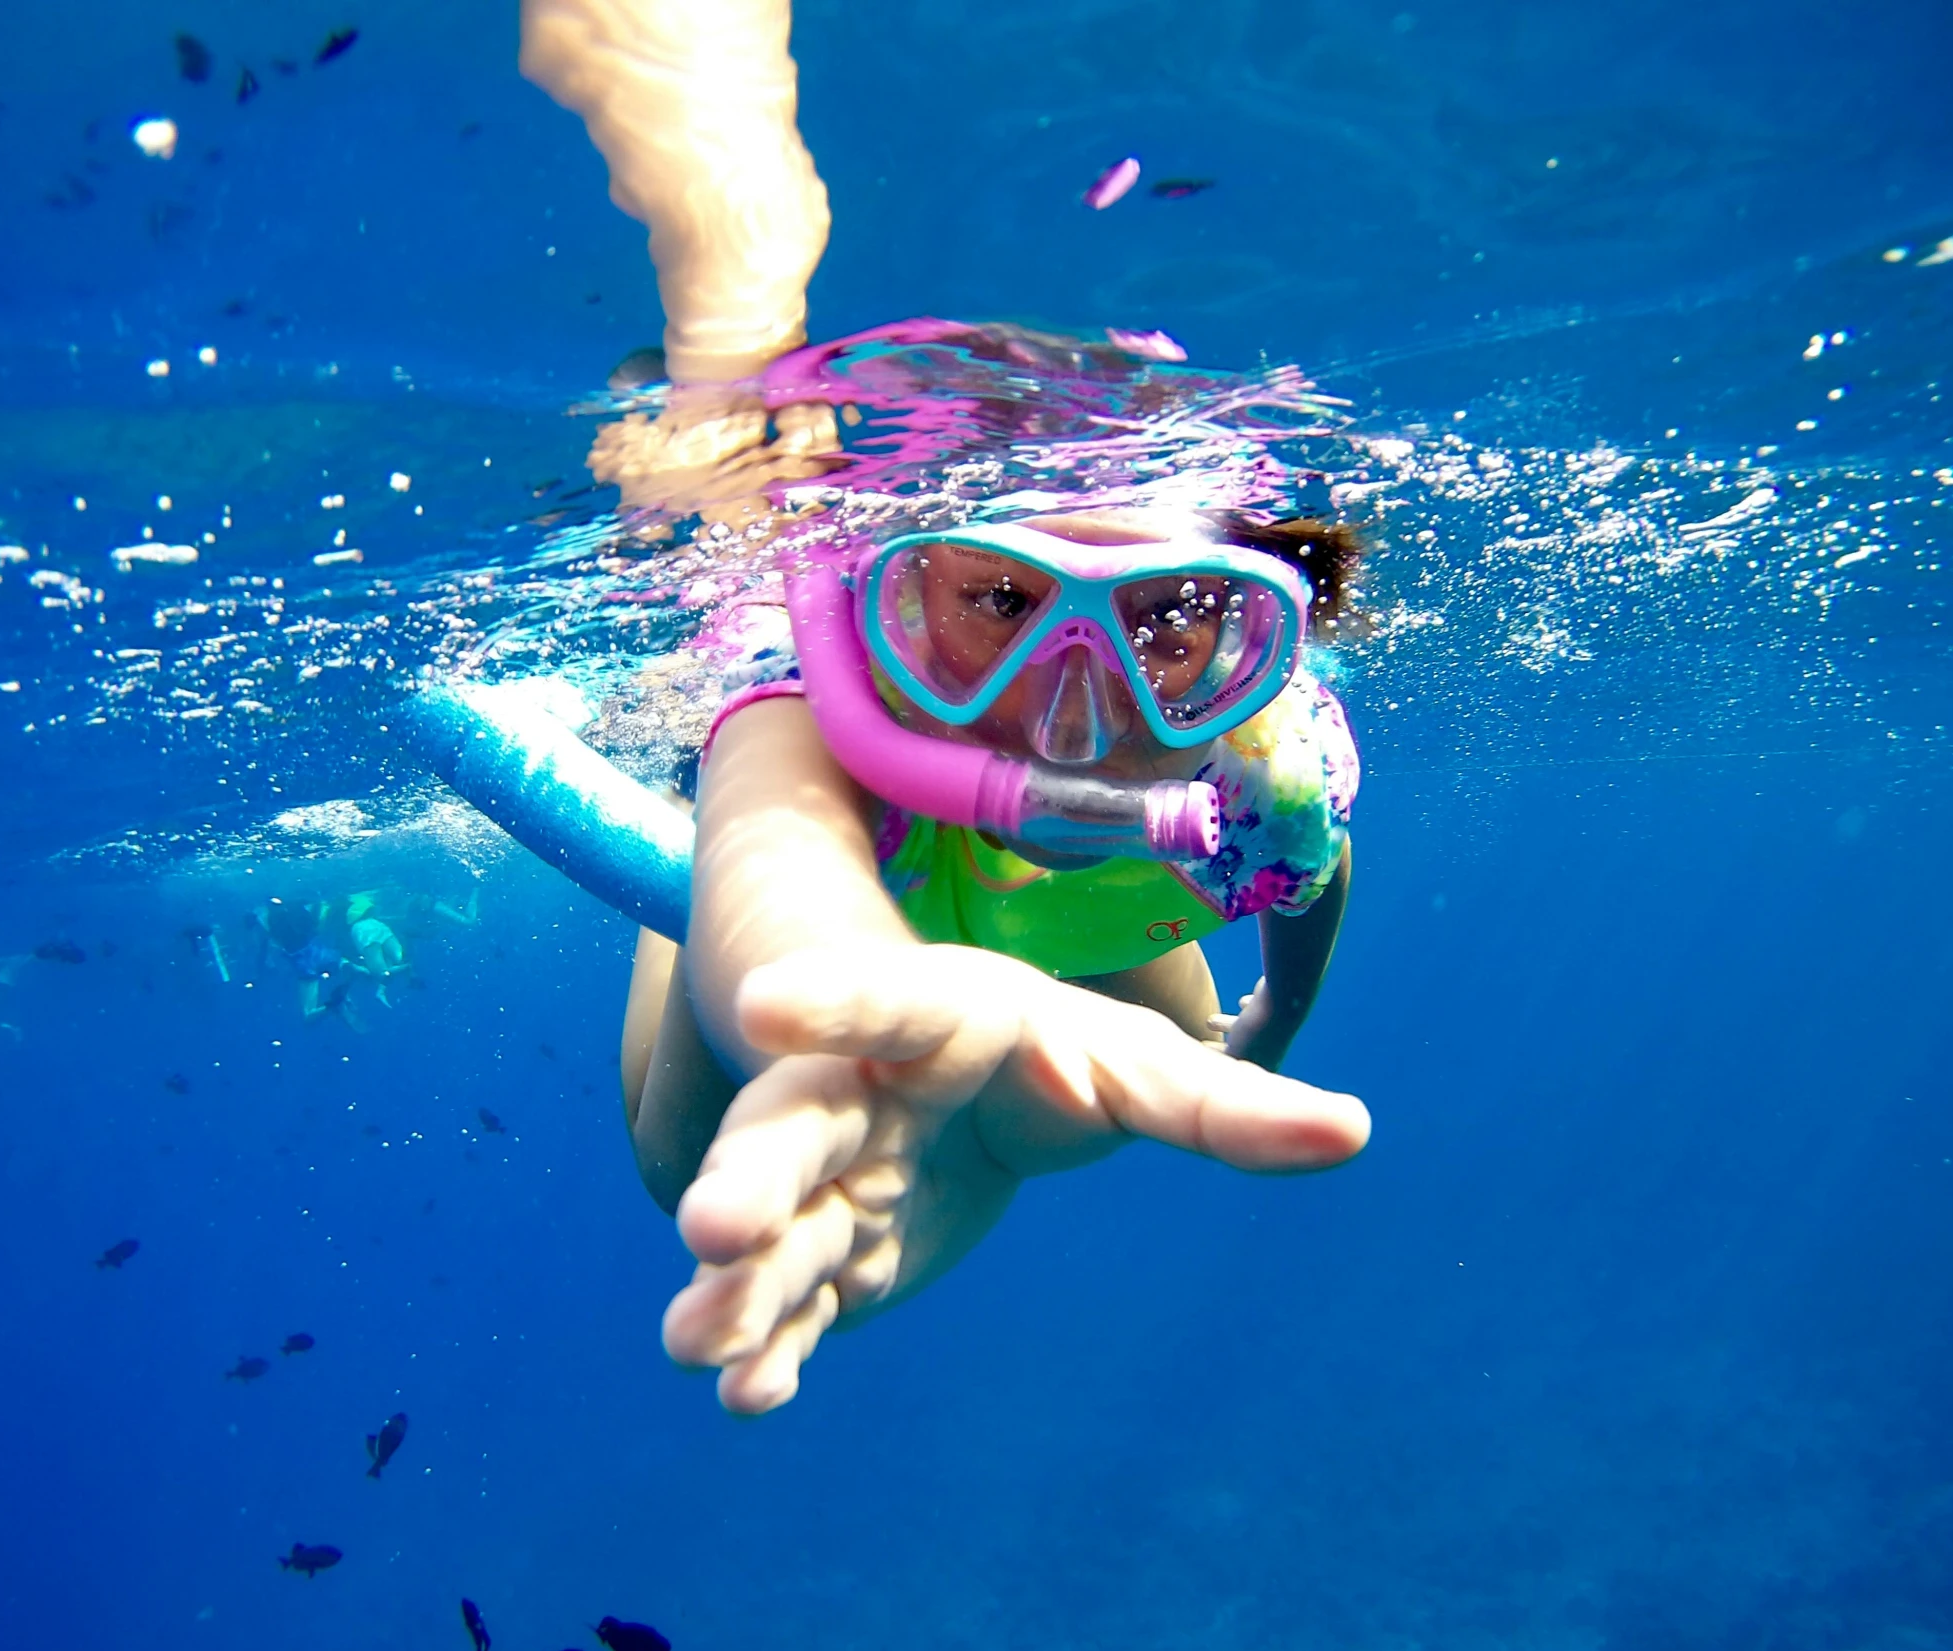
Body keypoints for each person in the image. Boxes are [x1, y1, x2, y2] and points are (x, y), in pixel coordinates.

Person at [524, 0, 1372, 1414]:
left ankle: (956, 1114)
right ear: (895, 601)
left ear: (1245, 632)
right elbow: (777, 880)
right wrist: (830, 1006)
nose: (1068, 715)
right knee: (692, 1157)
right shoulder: (817, 716)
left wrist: (1273, 1025)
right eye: (1001, 604)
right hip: (829, 986)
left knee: (1063, 1097)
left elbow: (1308, 886)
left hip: (1006, 1072)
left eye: (1164, 623)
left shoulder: (1265, 771)